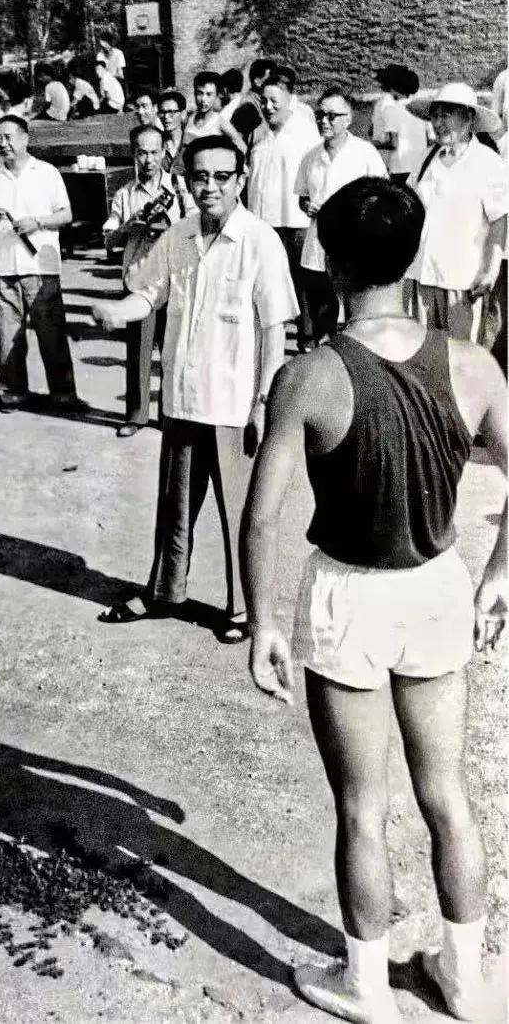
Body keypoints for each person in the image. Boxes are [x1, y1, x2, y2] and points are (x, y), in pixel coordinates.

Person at [240, 176, 507, 1024]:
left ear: (329, 260)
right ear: (414, 254)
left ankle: (365, 985)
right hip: (435, 587)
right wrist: (499, 574)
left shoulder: (307, 375)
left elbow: (260, 517)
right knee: (446, 796)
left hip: (346, 596)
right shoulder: (471, 364)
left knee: (361, 806)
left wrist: (262, 621)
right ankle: (465, 979)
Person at [92, 135, 297, 639]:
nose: (210, 187)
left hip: (234, 403)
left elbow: (274, 329)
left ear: (241, 180)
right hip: (183, 396)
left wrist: (264, 401)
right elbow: (148, 295)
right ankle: (164, 592)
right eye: (200, 176)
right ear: (187, 179)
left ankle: (243, 610)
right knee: (175, 506)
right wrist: (119, 311)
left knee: (240, 512)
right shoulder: (178, 234)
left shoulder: (260, 240)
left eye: (222, 177)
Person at [0, 115, 85, 413]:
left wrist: (37, 222)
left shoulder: (46, 172)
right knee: (8, 337)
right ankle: (13, 394)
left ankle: (63, 395)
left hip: (40, 266)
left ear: (25, 138)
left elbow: (66, 214)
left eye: (8, 137)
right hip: (2, 267)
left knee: (52, 335)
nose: (3, 143)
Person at [404, 83, 508, 343]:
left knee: (463, 356)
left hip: (463, 281)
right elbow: (409, 208)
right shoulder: (425, 159)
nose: (438, 123)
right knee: (422, 352)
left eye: (446, 115)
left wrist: (490, 272)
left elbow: (499, 220)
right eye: (435, 116)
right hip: (421, 275)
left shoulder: (488, 163)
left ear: (469, 118)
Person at [102, 124, 184, 437]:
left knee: (174, 351)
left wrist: (169, 230)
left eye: (154, 152)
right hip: (138, 282)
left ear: (164, 152)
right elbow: (108, 239)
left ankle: (169, 414)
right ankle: (136, 415)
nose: (148, 159)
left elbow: (198, 228)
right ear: (133, 154)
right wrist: (128, 227)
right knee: (138, 351)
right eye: (141, 153)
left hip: (175, 281)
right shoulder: (124, 193)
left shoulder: (180, 189)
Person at [294, 87, 387, 344]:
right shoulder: (310, 157)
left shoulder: (365, 153)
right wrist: (307, 206)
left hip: (353, 246)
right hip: (317, 247)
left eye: (332, 116)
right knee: (322, 310)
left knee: (355, 313)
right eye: (320, 115)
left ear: (348, 119)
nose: (324, 121)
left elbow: (382, 194)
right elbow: (302, 196)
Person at [246, 66, 320, 351]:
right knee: (267, 282)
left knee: (301, 282)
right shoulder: (261, 136)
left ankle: (308, 339)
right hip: (264, 222)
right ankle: (267, 339)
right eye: (264, 101)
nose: (268, 107)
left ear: (290, 100)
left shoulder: (305, 133)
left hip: (294, 221)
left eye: (274, 101)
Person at [370, 65, 429, 185]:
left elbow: (394, 143)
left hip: (400, 167)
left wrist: (373, 144)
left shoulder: (391, 110)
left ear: (393, 88)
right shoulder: (420, 109)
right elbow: (429, 139)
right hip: (420, 165)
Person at [227, 57, 273, 146]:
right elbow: (249, 140)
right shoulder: (247, 105)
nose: (275, 83)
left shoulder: (264, 101)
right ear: (257, 82)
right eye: (270, 80)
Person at [182, 72, 225, 147]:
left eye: (209, 94)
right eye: (199, 93)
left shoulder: (219, 121)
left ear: (216, 96)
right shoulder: (190, 117)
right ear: (194, 93)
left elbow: (241, 145)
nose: (203, 99)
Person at [158, 90, 187, 172]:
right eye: (162, 112)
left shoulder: (192, 142)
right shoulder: (157, 143)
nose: (166, 116)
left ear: (183, 114)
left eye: (171, 112)